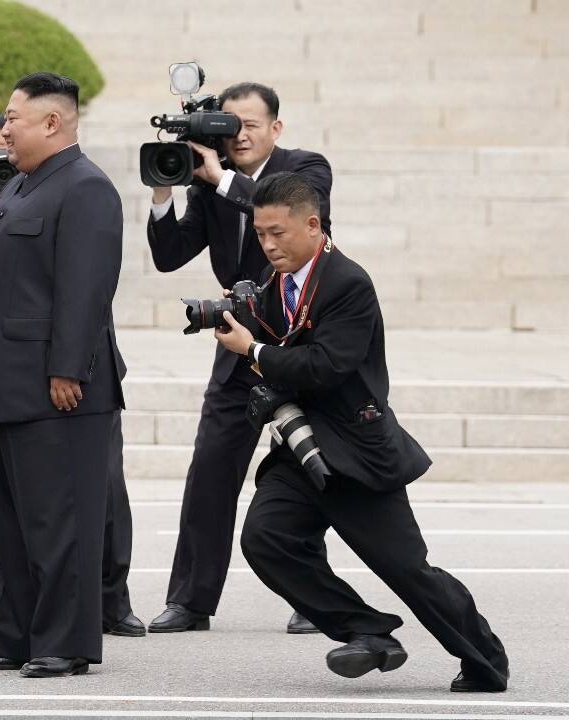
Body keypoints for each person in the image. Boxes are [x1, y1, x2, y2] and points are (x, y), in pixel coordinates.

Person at [215, 171, 509, 694]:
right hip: (299, 445)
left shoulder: (349, 282)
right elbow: (278, 346)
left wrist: (253, 350)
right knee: (267, 540)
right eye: (261, 234)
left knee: (408, 571)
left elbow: (326, 366)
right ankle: (367, 631)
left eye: (278, 233)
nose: (268, 244)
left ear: (312, 225)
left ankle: (485, 658)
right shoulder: (271, 280)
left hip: (355, 452)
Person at [0, 72, 125, 678]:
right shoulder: (22, 187)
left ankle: (66, 643)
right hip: (1, 385)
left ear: (52, 123)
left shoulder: (85, 187)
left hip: (55, 388)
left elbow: (86, 288)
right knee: (13, 524)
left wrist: (66, 368)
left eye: (13, 120)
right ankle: (18, 633)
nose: (3, 131)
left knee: (60, 522)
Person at [146, 82, 332, 635]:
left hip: (301, 335)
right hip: (237, 335)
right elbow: (169, 256)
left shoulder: (306, 168)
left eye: (250, 125)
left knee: (309, 469)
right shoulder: (210, 182)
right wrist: (164, 185)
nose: (240, 135)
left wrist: (221, 178)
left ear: (275, 128)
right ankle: (191, 601)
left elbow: (279, 205)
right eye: (231, 125)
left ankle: (312, 598)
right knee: (210, 468)